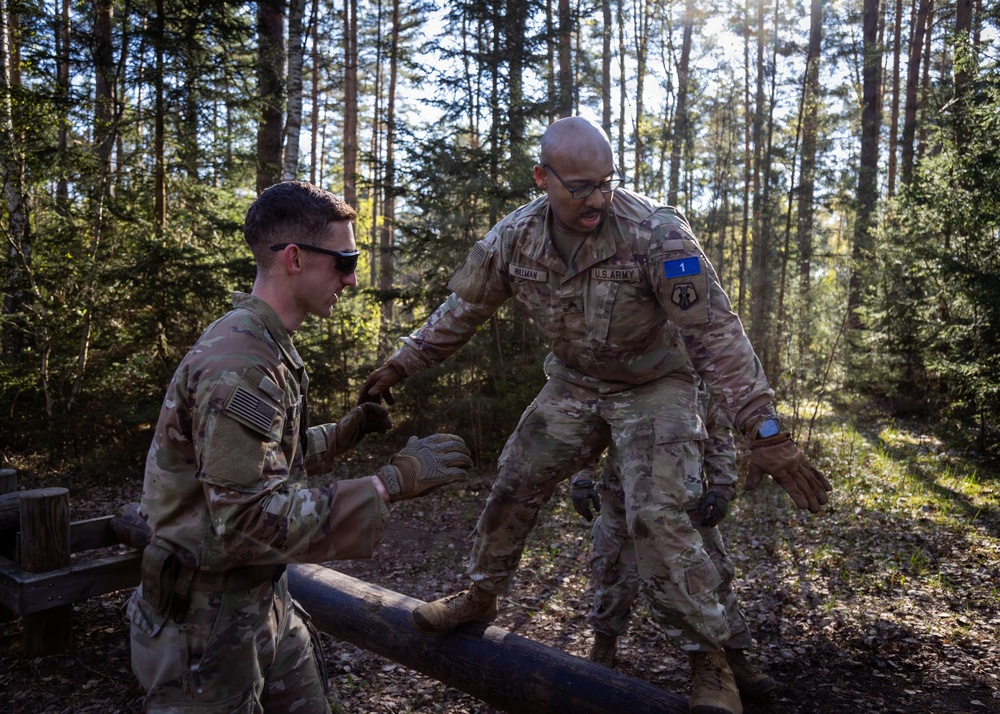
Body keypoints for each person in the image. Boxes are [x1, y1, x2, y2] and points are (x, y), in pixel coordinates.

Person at [358, 117, 830, 714]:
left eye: (606, 183)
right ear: (543, 178)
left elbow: (715, 334)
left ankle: (709, 662)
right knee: (514, 479)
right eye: (580, 187)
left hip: (656, 383)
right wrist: (403, 362)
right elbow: (465, 308)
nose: (597, 200)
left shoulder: (655, 234)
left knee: (658, 511)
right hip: (576, 384)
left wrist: (763, 429)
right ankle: (481, 593)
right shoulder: (515, 237)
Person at [126, 180, 473, 713]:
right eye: (344, 260)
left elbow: (263, 460)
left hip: (259, 599)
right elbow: (243, 522)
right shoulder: (240, 363)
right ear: (294, 258)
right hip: (205, 619)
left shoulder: (266, 344)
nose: (352, 278)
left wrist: (347, 431)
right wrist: (387, 485)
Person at [570, 381, 776, 699]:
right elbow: (589, 429)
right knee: (614, 579)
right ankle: (603, 649)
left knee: (714, 578)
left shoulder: (698, 378)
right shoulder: (618, 372)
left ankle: (733, 660)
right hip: (622, 502)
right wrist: (581, 477)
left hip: (686, 505)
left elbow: (719, 434)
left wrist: (722, 486)